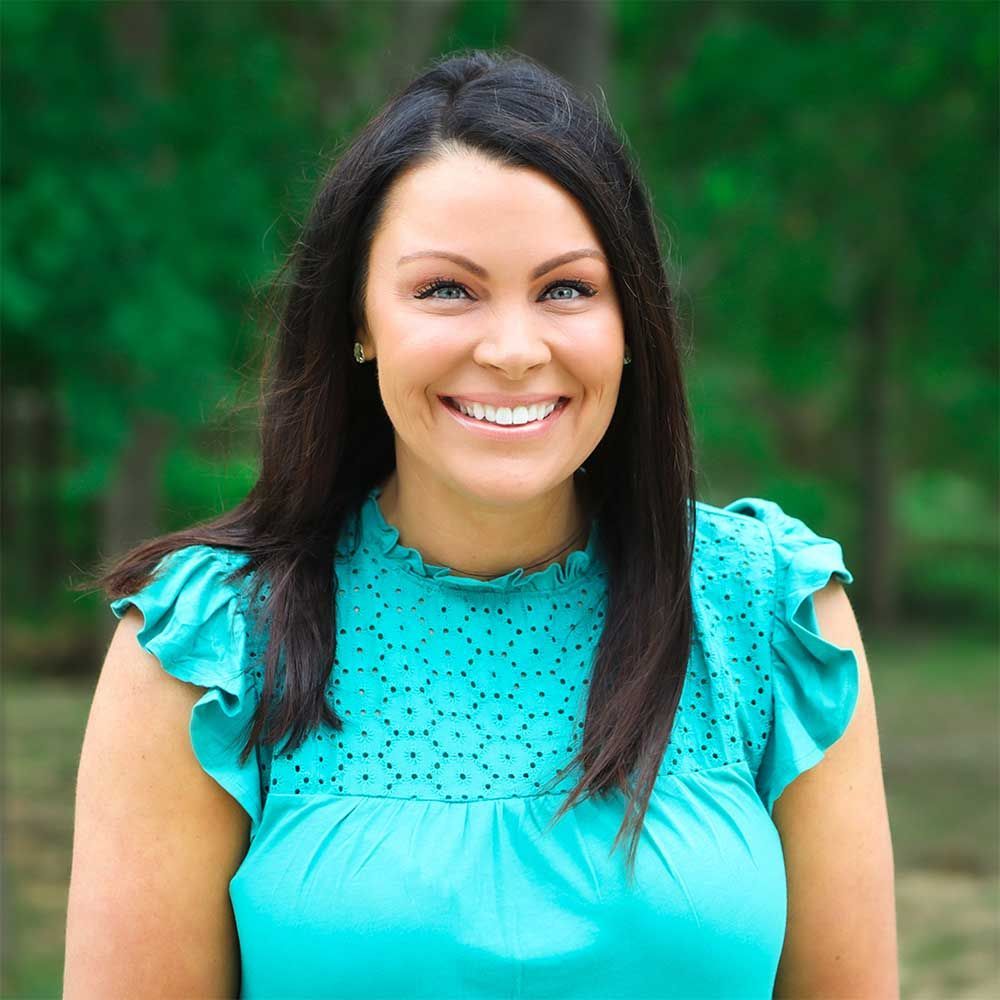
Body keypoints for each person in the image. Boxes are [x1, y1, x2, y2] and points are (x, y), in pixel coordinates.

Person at [64, 48, 898, 1000]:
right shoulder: (206, 643)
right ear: (359, 321)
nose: (511, 350)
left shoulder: (772, 611)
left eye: (566, 289)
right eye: (446, 290)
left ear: (631, 323)